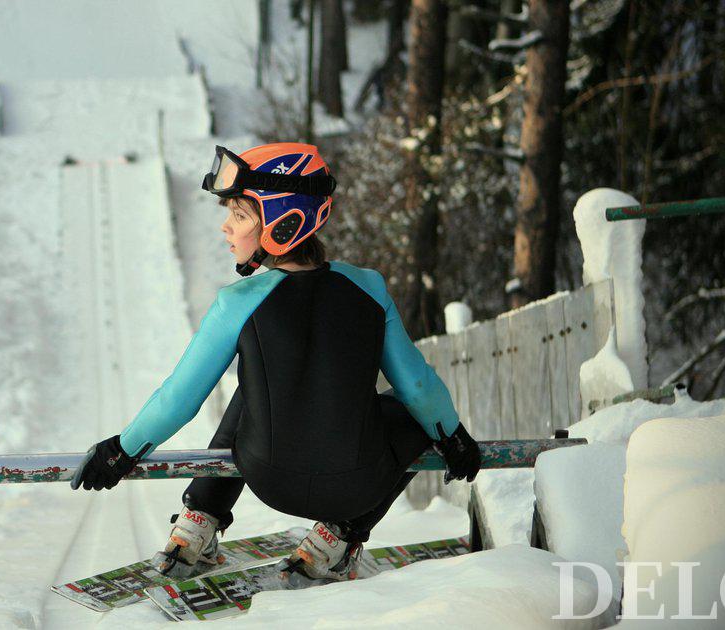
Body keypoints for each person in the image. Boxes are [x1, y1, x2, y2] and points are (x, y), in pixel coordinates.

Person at [70, 142, 481, 583]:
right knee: (417, 413)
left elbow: (178, 400)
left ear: (284, 221)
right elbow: (418, 388)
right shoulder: (370, 288)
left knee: (256, 384)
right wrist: (454, 438)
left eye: (240, 216)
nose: (226, 228)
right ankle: (336, 540)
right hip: (356, 485)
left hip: (270, 477)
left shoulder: (237, 303)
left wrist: (121, 451)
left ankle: (198, 523)